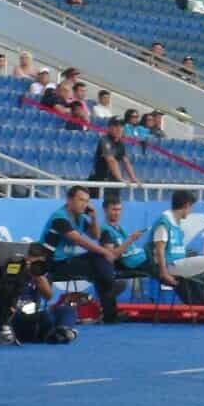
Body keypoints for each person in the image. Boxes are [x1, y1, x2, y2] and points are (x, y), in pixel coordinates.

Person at [148, 190, 204, 326]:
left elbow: (172, 249)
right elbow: (159, 250)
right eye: (191, 207)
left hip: (179, 263)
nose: (190, 211)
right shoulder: (164, 222)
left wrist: (189, 255)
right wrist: (164, 273)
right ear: (186, 205)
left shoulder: (175, 223)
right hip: (170, 266)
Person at [40, 186, 119, 324]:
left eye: (87, 201)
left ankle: (109, 311)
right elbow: (79, 240)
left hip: (68, 261)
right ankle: (111, 289)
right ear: (69, 200)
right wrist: (105, 251)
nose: (84, 204)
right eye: (81, 200)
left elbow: (95, 235)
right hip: (53, 263)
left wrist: (94, 218)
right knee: (101, 264)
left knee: (100, 264)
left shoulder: (80, 218)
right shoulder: (59, 218)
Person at [90, 120, 139, 189]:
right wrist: (120, 179)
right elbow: (111, 160)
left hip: (112, 180)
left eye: (121, 126)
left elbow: (126, 162)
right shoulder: (105, 140)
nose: (119, 129)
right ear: (109, 128)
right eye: (116, 126)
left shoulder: (120, 143)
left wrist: (133, 178)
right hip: (100, 180)